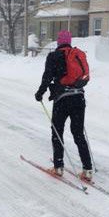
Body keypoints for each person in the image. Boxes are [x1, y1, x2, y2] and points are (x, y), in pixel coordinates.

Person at [34, 30, 93, 181]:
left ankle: (58, 167)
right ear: (70, 41)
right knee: (79, 133)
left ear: (59, 42)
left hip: (62, 99)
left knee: (57, 132)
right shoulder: (76, 55)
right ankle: (87, 169)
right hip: (79, 97)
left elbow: (47, 77)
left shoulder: (54, 56)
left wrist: (40, 93)